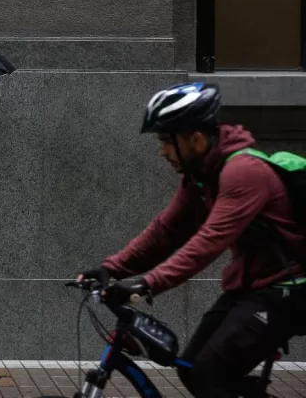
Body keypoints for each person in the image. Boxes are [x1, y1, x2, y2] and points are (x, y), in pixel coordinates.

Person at [77, 82, 306, 398]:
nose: (162, 152)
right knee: (191, 369)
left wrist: (146, 284)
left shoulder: (244, 172)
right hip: (251, 288)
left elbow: (207, 243)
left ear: (195, 139)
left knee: (209, 372)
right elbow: (165, 233)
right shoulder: (200, 175)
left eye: (166, 142)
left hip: (289, 291)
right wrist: (110, 268)